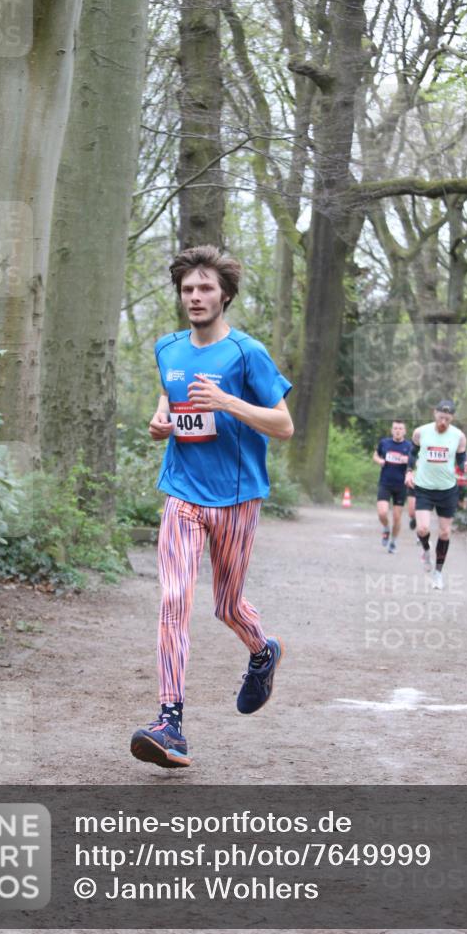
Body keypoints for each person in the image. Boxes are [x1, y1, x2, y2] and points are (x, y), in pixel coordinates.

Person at [130, 245, 294, 769]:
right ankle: (170, 724)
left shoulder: (248, 354)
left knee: (226, 605)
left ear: (224, 294)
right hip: (181, 492)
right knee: (174, 601)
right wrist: (160, 420)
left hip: (238, 497)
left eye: (205, 288)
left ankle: (263, 650)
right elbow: (169, 395)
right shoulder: (168, 348)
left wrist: (228, 403)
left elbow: (284, 426)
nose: (195, 297)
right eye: (187, 289)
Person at [404, 399, 467, 590]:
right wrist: (409, 471)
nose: (443, 422)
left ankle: (438, 573)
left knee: (444, 532)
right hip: (424, 487)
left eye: (447, 419)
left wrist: (465, 466)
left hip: (447, 489)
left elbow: (461, 460)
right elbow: (412, 453)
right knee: (423, 528)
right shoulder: (421, 432)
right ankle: (426, 550)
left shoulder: (458, 436)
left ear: (452, 418)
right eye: (441, 418)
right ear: (434, 414)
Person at [372, 420, 413, 553]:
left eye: (400, 428)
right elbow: (375, 455)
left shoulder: (409, 446)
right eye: (395, 428)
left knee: (397, 517)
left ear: (404, 431)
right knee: (382, 512)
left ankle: (393, 542)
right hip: (385, 483)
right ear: (392, 430)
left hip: (401, 485)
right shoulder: (384, 443)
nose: (397, 431)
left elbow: (416, 461)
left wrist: (408, 462)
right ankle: (385, 528)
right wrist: (380, 461)